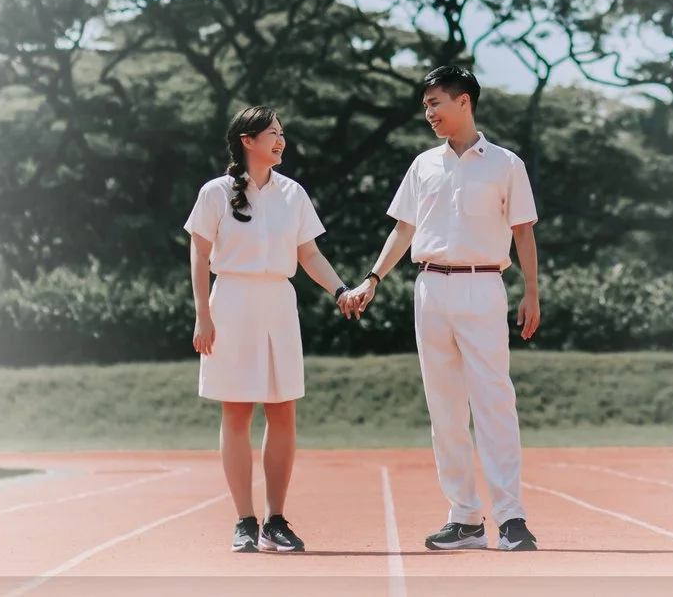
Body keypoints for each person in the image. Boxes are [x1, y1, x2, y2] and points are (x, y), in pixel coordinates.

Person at [338, 67, 544, 552]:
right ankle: (466, 518)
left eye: (435, 103)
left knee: (494, 402)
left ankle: (511, 518)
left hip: (484, 285)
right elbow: (403, 229)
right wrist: (372, 278)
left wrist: (531, 291)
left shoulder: (506, 164)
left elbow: (523, 231)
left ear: (464, 101)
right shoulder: (423, 164)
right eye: (426, 105)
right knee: (445, 408)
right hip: (430, 288)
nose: (428, 113)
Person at [185, 106, 344, 553]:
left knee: (283, 410)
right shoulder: (215, 192)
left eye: (282, 133)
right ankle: (244, 520)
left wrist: (340, 290)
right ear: (247, 140)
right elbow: (199, 255)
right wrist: (203, 315)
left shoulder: (293, 193)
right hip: (231, 303)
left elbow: (310, 255)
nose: (280, 140)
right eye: (272, 133)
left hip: (278, 304)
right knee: (236, 412)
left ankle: (275, 520)